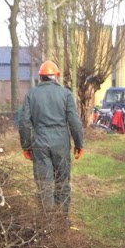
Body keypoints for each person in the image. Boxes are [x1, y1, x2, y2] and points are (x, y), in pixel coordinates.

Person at [18, 59, 84, 214]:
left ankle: (47, 221)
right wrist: (79, 143)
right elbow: (74, 122)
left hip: (40, 144)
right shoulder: (65, 94)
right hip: (61, 144)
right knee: (62, 183)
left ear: (40, 77)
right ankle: (62, 218)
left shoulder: (31, 94)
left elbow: (24, 123)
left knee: (44, 184)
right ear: (57, 76)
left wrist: (26, 146)